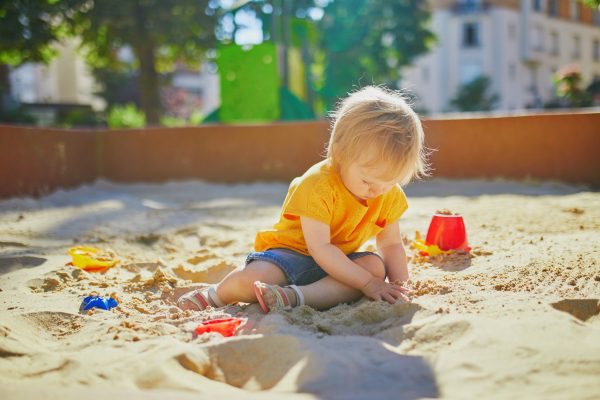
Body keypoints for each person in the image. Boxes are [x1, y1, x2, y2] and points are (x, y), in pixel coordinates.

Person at [178, 86, 428, 313]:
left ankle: (294, 297)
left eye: (389, 182)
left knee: (374, 268)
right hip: (292, 255)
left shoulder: (387, 193)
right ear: (340, 153)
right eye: (367, 181)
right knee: (253, 279)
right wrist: (366, 284)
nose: (377, 191)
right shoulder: (318, 184)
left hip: (340, 264)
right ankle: (214, 295)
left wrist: (398, 285)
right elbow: (320, 248)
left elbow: (392, 245)